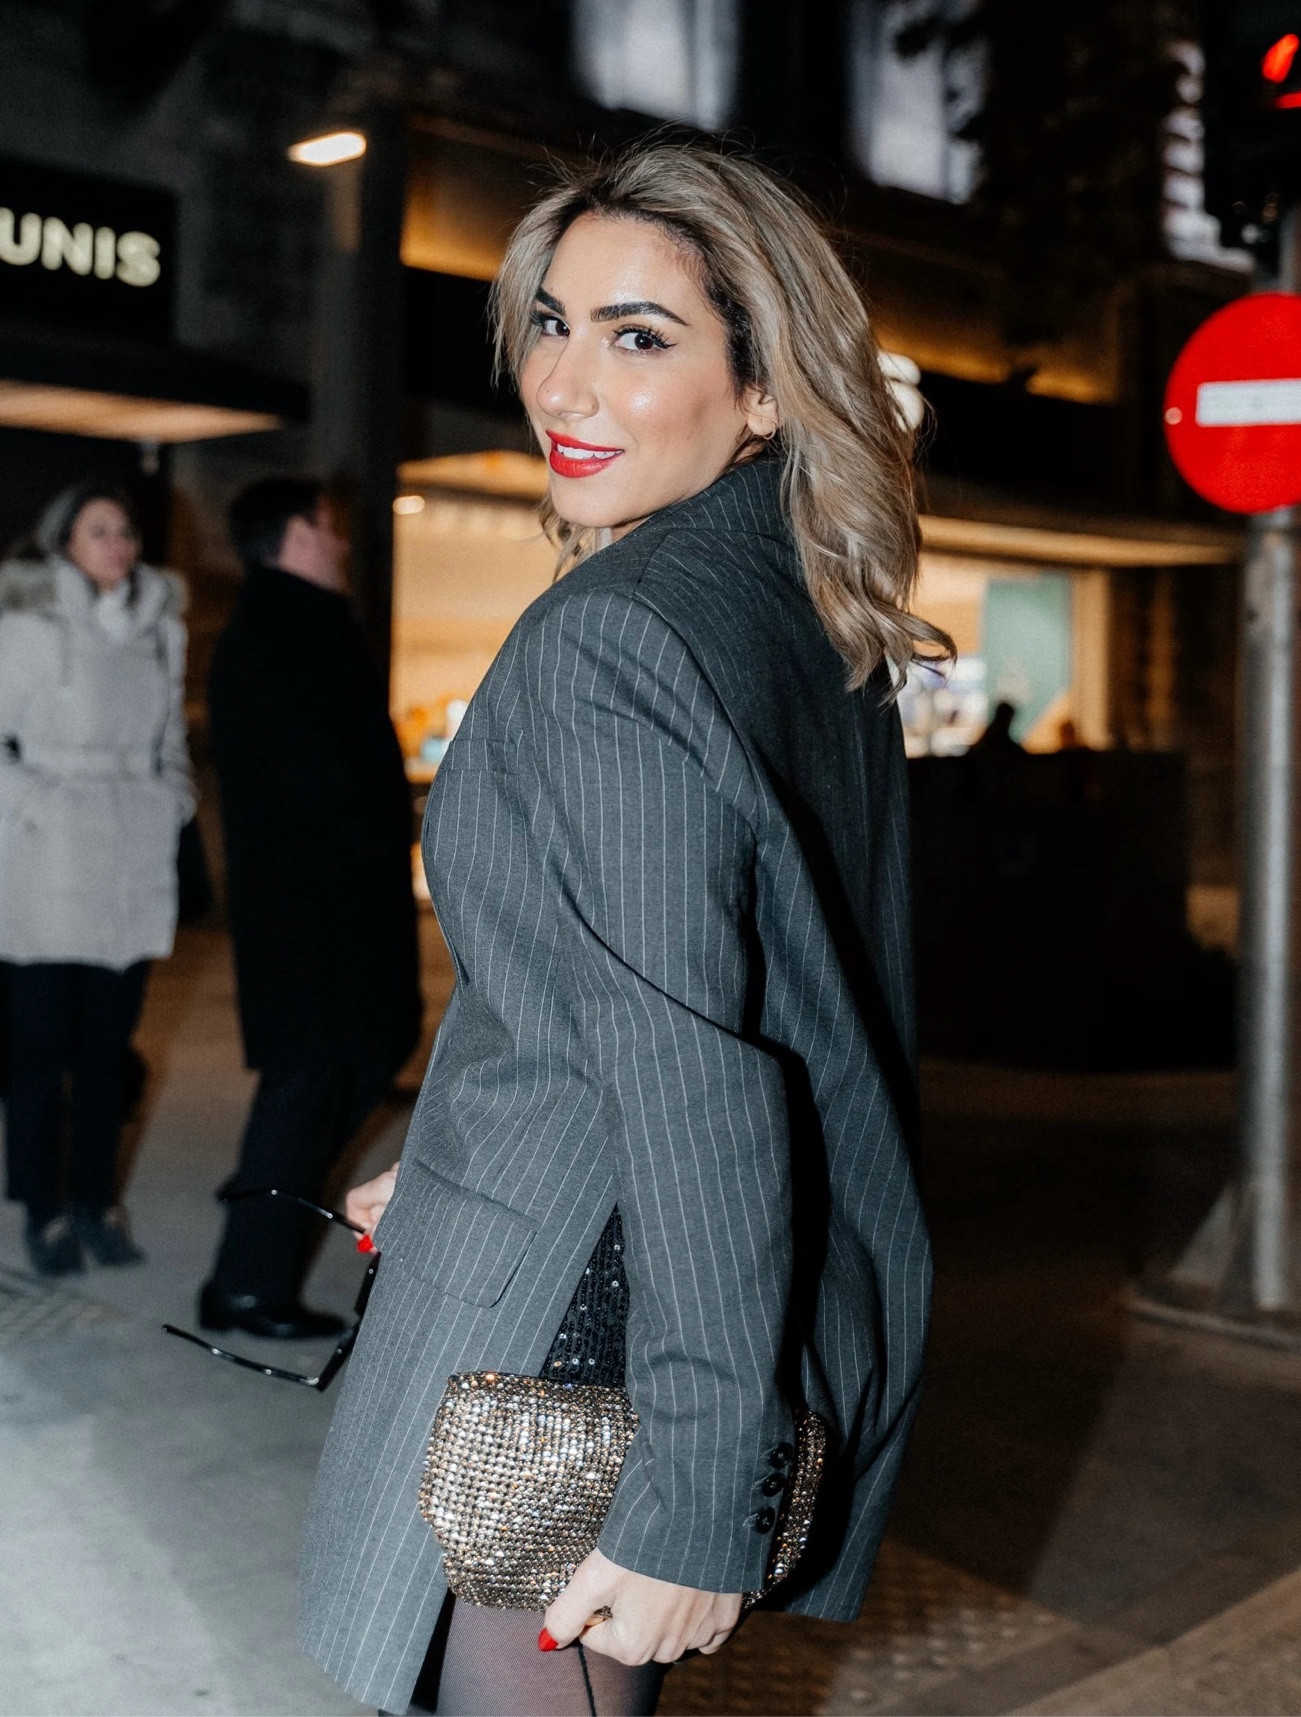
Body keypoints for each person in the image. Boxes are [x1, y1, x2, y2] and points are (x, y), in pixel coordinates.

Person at [300, 141, 947, 1717]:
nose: (563, 385)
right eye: (549, 321)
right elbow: (647, 978)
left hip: (602, 1336)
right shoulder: (804, 606)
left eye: (638, 336)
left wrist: (695, 1483)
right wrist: (457, 1135)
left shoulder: (612, 637)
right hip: (673, 1278)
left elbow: (696, 1075)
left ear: (766, 389)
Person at [200, 478, 420, 1342]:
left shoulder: (280, 624)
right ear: (295, 534)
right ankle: (247, 1282)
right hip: (320, 919)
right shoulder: (291, 628)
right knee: (303, 1096)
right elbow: (323, 780)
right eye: (329, 528)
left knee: (326, 1083)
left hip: (315, 914)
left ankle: (256, 1246)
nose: (341, 543)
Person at [0, 483, 192, 1275]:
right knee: (42, 1049)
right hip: (47, 859)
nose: (117, 544)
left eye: (125, 531)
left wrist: (174, 796)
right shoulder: (29, 631)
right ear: (64, 546)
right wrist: (31, 805)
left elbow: (173, 734)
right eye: (98, 530)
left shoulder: (160, 633)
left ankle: (94, 1201)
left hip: (130, 856)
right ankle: (42, 1210)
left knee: (110, 1051)